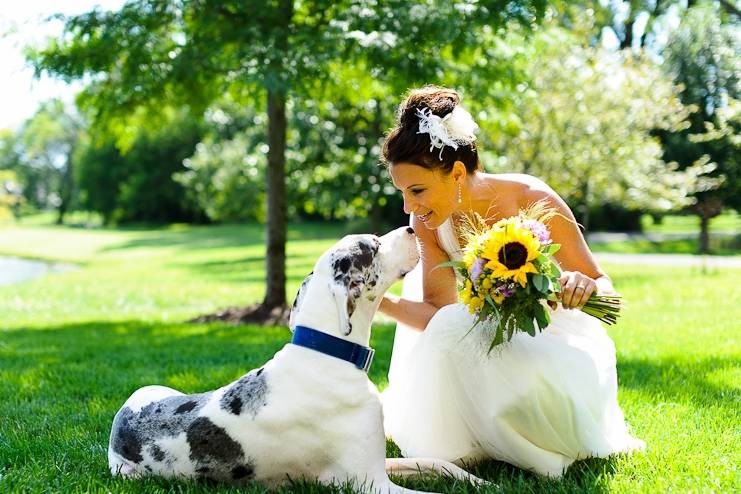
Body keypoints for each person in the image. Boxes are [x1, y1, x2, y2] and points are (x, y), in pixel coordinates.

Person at [378, 85, 644, 477]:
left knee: (475, 335)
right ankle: (478, 438)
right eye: (402, 193)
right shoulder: (427, 221)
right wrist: (376, 299)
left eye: (417, 190)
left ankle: (528, 427)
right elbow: (437, 315)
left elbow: (602, 284)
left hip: (553, 340)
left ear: (455, 173)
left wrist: (582, 287)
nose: (408, 207)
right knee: (453, 323)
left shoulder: (530, 196)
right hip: (484, 342)